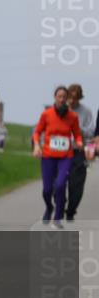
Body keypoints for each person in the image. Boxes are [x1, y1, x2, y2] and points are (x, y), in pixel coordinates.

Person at [32, 86, 83, 228]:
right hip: (48, 156)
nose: (61, 99)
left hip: (66, 157)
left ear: (67, 99)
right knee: (47, 190)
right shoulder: (46, 114)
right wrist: (37, 146)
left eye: (64, 97)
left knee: (60, 185)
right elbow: (37, 132)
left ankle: (58, 217)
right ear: (55, 98)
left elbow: (77, 133)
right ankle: (49, 207)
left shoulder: (73, 117)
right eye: (59, 96)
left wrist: (78, 141)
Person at [66, 84, 95, 221]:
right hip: (60, 151)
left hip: (78, 151)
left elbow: (91, 132)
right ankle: (59, 205)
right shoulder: (60, 109)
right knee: (57, 183)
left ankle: (71, 210)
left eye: (75, 98)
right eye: (70, 97)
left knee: (76, 184)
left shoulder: (86, 112)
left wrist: (77, 128)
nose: (72, 101)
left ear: (79, 98)